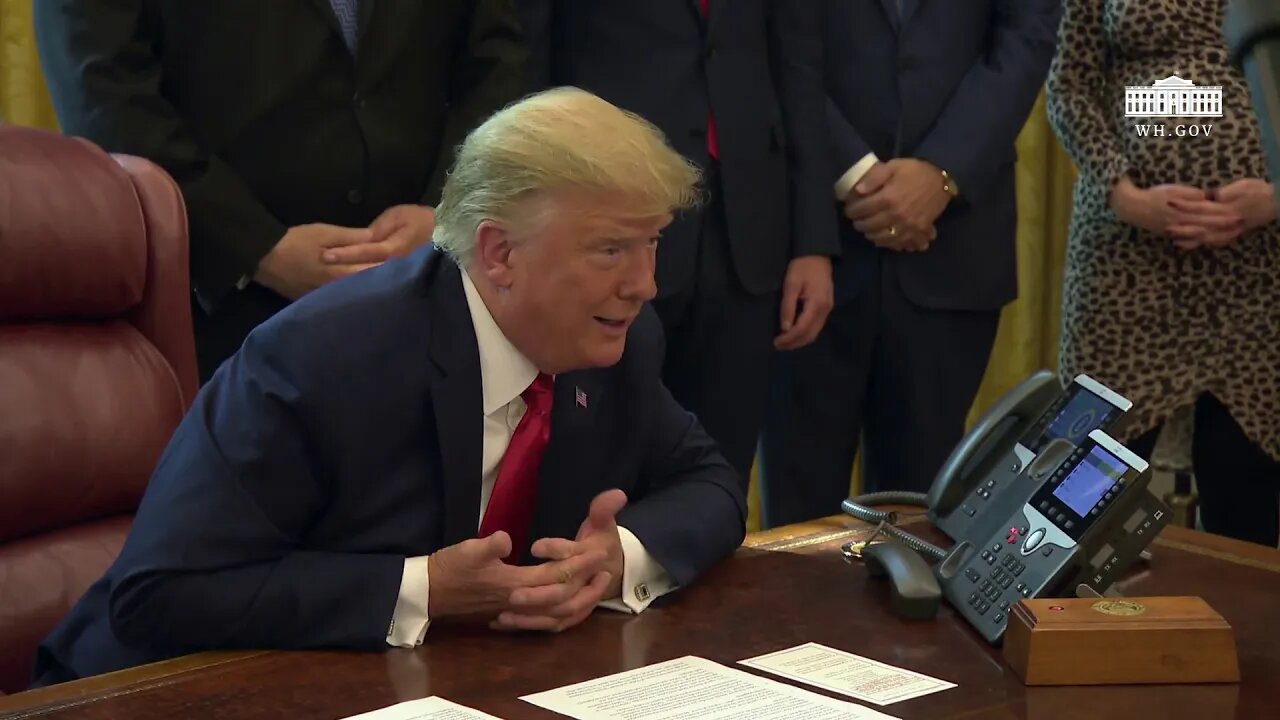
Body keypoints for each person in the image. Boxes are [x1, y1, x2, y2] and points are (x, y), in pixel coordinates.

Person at [30, 88, 747, 687]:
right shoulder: (319, 358)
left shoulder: (612, 341)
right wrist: (424, 590)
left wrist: (618, 554)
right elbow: (160, 597)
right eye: (612, 250)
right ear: (499, 252)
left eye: (652, 244)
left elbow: (710, 485)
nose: (645, 285)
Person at [35, 0, 526, 382]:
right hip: (212, 311)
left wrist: (447, 206)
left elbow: (497, 58)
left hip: (425, 286)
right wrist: (257, 250)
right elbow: (102, 93)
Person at [760, 0, 1063, 526]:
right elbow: (768, 38)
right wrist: (854, 174)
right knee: (795, 510)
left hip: (954, 241)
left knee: (923, 513)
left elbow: (1027, 37)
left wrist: (942, 170)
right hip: (807, 243)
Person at [518, 0, 838, 485]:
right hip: (608, 208)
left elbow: (800, 69)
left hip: (748, 226)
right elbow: (528, 59)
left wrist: (813, 242)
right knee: (595, 469)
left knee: (722, 467)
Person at [1047, 0, 1280, 546]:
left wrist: (1276, 196)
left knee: (1243, 495)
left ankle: (1232, 630)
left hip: (1259, 270)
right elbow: (1069, 87)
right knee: (1077, 487)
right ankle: (1054, 625)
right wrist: (1122, 193)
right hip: (1125, 256)